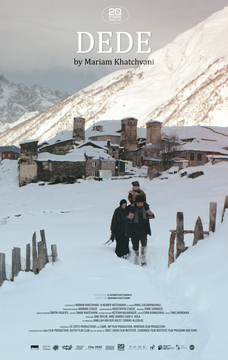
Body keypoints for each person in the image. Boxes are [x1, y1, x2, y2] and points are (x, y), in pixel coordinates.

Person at [126, 194, 155, 266]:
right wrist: (129, 216)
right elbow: (125, 217)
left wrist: (148, 211)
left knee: (144, 244)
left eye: (141, 203)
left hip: (143, 230)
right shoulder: (131, 208)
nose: (140, 204)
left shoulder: (145, 208)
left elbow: (152, 216)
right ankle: (136, 260)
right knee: (135, 246)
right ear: (136, 203)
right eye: (139, 203)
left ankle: (143, 259)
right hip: (134, 230)